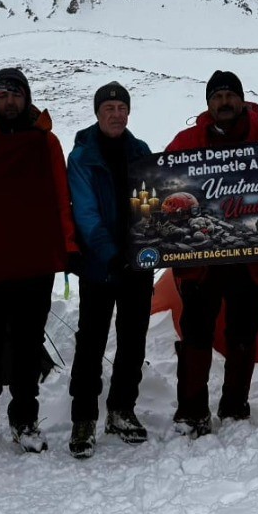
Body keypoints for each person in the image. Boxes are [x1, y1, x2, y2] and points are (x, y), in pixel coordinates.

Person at [0, 68, 77, 457]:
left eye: (16, 94)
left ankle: (25, 419)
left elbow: (61, 192)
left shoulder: (45, 141)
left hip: (33, 256)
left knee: (28, 343)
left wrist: (67, 245)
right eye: (2, 94)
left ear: (27, 98)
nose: (9, 101)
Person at [165, 71, 258, 437]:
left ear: (242, 100)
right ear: (208, 103)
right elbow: (162, 188)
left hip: (252, 259)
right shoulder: (186, 142)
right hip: (201, 263)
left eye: (231, 95)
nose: (224, 102)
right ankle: (192, 411)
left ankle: (234, 407)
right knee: (197, 332)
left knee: (244, 333)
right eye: (217, 96)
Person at [65, 82, 154, 458]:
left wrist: (147, 244)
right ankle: (83, 417)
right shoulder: (83, 156)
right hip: (100, 264)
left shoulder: (141, 151)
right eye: (109, 108)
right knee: (91, 340)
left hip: (137, 263)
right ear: (98, 113)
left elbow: (149, 201)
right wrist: (110, 252)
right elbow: (85, 213)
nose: (116, 114)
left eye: (121, 107)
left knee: (133, 338)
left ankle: (122, 409)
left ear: (128, 112)